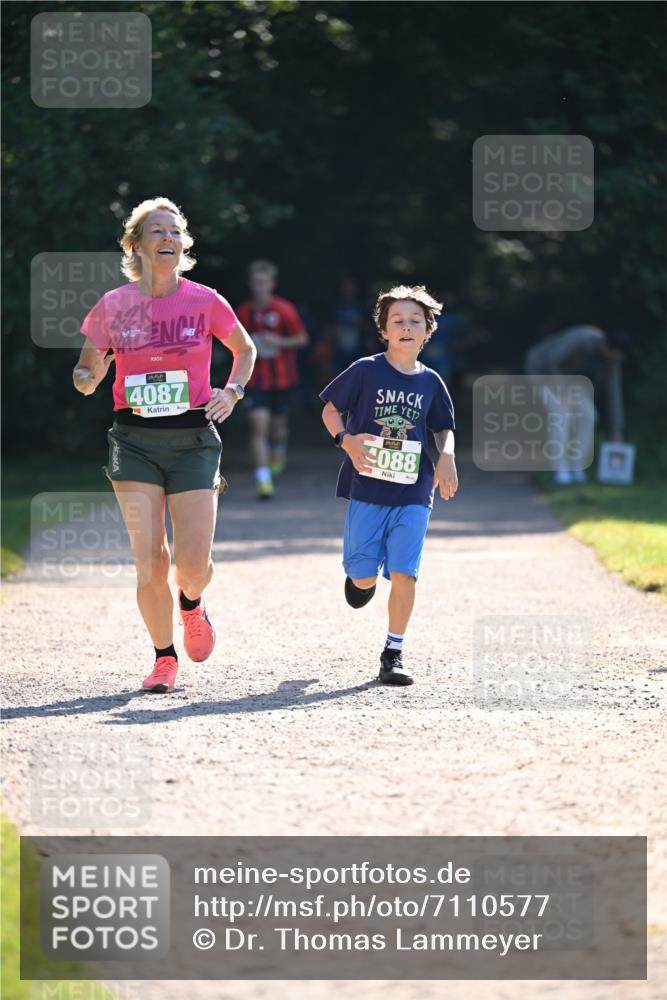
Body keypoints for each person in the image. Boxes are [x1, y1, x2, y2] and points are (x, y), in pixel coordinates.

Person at [73, 197, 256, 693]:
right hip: (133, 442)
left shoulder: (205, 300)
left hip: (195, 440)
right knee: (150, 560)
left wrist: (232, 391)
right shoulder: (113, 305)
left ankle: (192, 604)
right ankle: (163, 658)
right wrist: (90, 376)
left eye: (174, 231)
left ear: (184, 244)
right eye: (156, 231)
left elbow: (245, 348)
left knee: (192, 565)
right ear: (135, 245)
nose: (167, 239)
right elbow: (86, 372)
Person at [320, 285, 458, 687]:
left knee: (405, 572)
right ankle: (360, 578)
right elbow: (331, 409)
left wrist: (446, 456)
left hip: (414, 489)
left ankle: (393, 652)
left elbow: (443, 427)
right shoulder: (365, 370)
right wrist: (345, 441)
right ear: (383, 330)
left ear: (428, 330)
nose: (406, 327)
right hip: (368, 485)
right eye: (397, 321)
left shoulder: (431, 381)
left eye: (416, 321)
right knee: (363, 575)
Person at [236, 260, 309, 499]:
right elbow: (232, 343)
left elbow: (302, 339)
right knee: (258, 427)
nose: (260, 287)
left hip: (282, 381)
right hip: (254, 381)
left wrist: (280, 342)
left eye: (264, 282)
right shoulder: (243, 312)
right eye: (256, 282)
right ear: (250, 283)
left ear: (272, 284)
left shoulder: (284, 310)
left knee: (278, 430)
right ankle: (263, 481)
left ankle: (278, 450)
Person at [524, 324, 626, 484]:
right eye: (613, 356)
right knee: (561, 415)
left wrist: (616, 429)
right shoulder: (582, 339)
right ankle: (560, 471)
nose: (615, 360)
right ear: (606, 347)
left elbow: (614, 391)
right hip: (542, 371)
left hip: (571, 380)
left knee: (589, 416)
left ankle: (576, 466)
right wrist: (561, 394)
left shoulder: (613, 359)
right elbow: (552, 361)